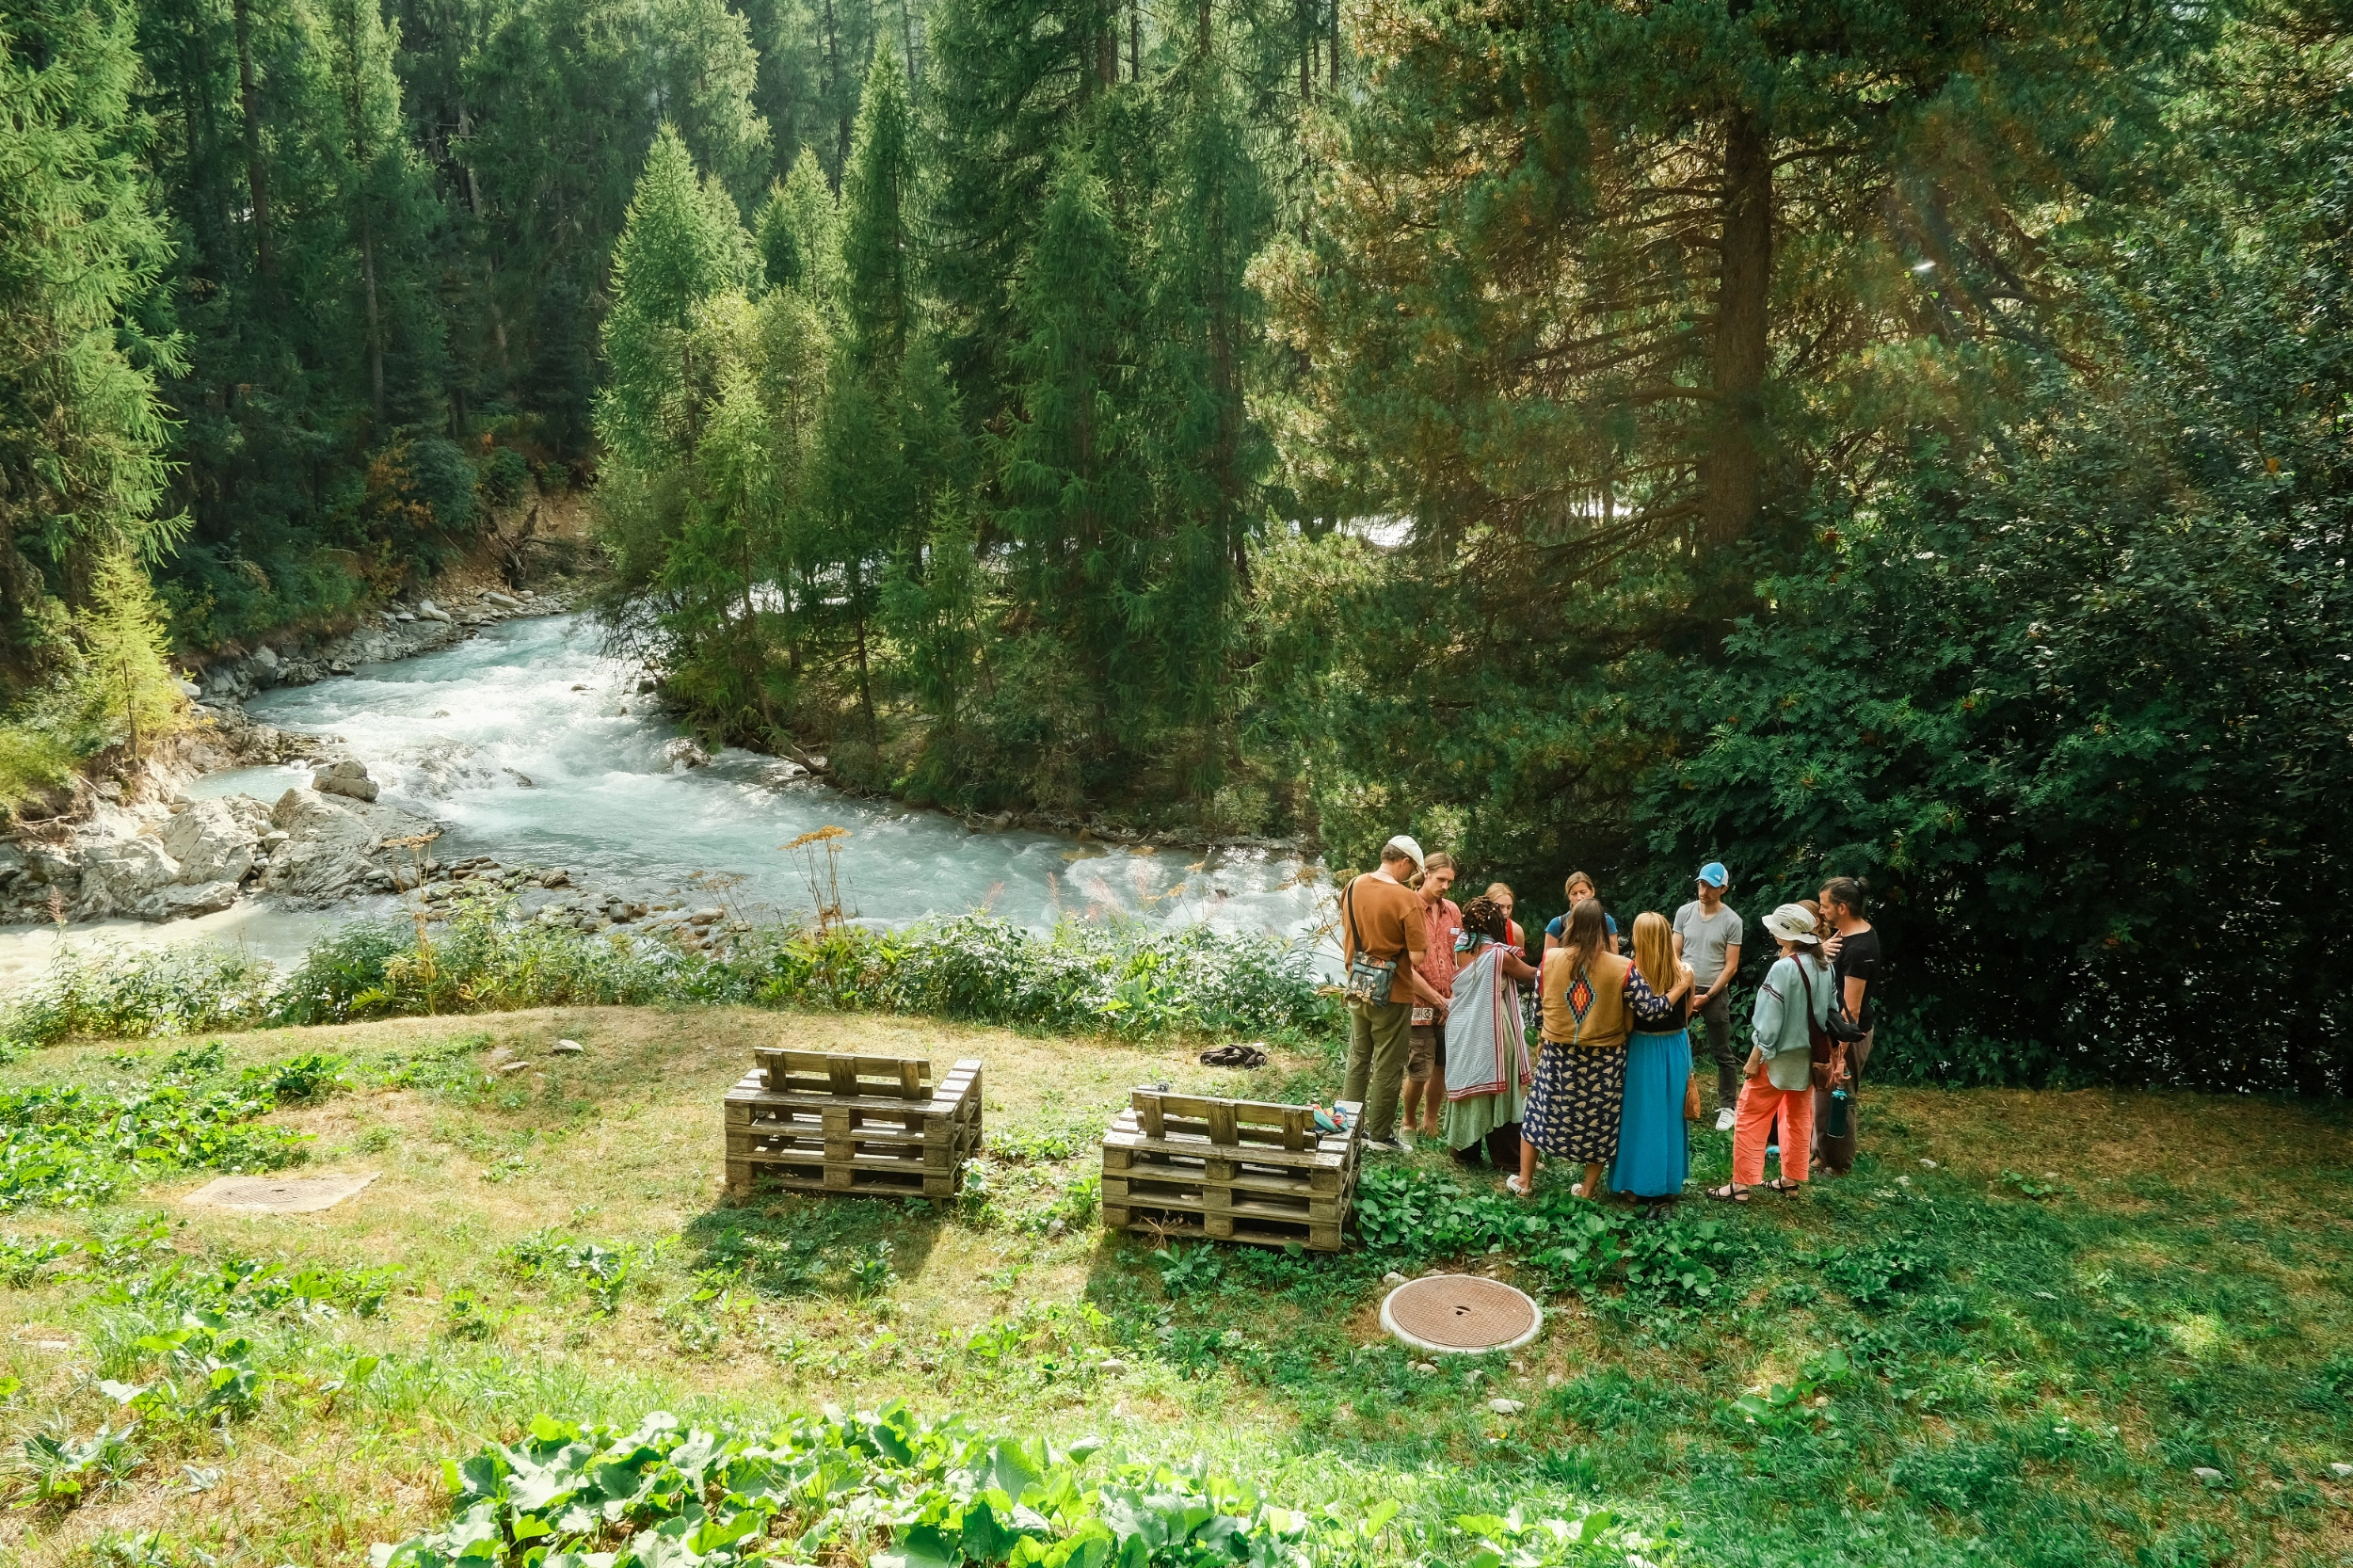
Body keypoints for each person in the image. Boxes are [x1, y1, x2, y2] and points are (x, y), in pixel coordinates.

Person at [1516, 899, 1682, 1200]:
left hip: (1557, 1055)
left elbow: (1538, 1012)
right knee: (1600, 1125)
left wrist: (1547, 1033)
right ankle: (1587, 1189)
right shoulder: (1623, 968)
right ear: (1605, 931)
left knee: (1538, 1115)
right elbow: (1651, 1010)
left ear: (1571, 927)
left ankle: (1525, 1183)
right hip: (1604, 1062)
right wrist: (1680, 987)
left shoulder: (1549, 960)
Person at [1709, 904, 1833, 1201]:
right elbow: (1832, 1011)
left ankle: (1740, 1185)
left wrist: (1754, 1058)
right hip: (1808, 1059)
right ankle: (1790, 1180)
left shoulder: (1784, 967)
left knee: (1750, 1114)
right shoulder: (1824, 965)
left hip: (1775, 1058)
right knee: (1799, 1117)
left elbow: (1768, 1020)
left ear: (1787, 933)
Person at [1338, 837, 1453, 1151]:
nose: (1411, 875)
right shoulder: (1405, 898)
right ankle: (1379, 1136)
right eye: (1412, 869)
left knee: (1359, 1057)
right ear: (1403, 862)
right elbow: (1417, 956)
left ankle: (1347, 1128)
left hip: (1358, 984)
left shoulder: (1352, 885)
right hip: (1393, 991)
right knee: (1389, 1064)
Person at [1442, 895, 1538, 1169]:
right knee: (1502, 1086)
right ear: (1496, 924)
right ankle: (1507, 1156)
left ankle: (1465, 1150)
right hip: (1493, 1027)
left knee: (1469, 1083)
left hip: (1462, 1026)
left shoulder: (1461, 946)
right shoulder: (1498, 955)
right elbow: (1532, 975)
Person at [1612, 912, 1696, 1206]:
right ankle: (1669, 1183)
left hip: (1643, 1051)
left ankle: (1638, 1184)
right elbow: (1686, 1016)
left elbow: (1628, 1026)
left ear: (1639, 939)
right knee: (1672, 1116)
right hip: (1676, 1047)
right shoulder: (1685, 971)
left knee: (1641, 1117)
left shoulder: (1632, 975)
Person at [1813, 876, 1880, 1173]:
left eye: (1826, 906)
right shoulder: (1844, 936)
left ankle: (1839, 1164)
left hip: (1849, 1034)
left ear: (1842, 907)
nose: (1821, 911)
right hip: (1833, 1028)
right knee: (1822, 1095)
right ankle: (1821, 1155)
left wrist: (1839, 1054)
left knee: (1839, 1095)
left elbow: (1850, 1008)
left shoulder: (1859, 949)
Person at [1673, 862, 1744, 1131]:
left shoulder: (1732, 920)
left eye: (1712, 887)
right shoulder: (1684, 912)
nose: (1704, 891)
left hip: (1714, 992)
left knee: (1721, 1051)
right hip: (1683, 988)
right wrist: (1683, 987)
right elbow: (1674, 952)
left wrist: (1709, 995)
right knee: (1676, 1043)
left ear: (1723, 889)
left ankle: (1728, 1106)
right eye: (1702, 884)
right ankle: (1679, 1098)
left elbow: (1731, 965)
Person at [1401, 854, 1463, 1141]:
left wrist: (1455, 998)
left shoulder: (1453, 911)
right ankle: (1409, 1121)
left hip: (1450, 1003)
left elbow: (1459, 957)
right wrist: (1437, 1000)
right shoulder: (1409, 907)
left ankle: (1431, 1120)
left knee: (1442, 1065)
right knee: (1419, 1069)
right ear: (1426, 873)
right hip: (1419, 1004)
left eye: (1450, 881)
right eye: (1441, 879)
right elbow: (1405, 969)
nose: (1446, 886)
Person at [1544, 872, 1620, 955]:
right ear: (1569, 896)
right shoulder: (1557, 924)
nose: (1579, 898)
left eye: (1583, 892)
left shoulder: (1606, 921)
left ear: (1592, 891)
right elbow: (1548, 964)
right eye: (1574, 894)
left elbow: (1614, 959)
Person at [1482, 882, 1526, 951]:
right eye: (1500, 907)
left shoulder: (1516, 931)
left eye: (1509, 907)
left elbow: (1518, 960)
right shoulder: (1477, 928)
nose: (1505, 912)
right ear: (1487, 905)